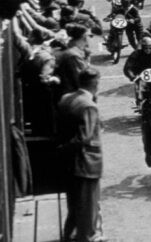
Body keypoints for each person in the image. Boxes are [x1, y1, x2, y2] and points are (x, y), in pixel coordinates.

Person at [57, 67, 104, 242]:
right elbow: (84, 137)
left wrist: (62, 149)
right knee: (88, 206)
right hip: (86, 162)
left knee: (74, 204)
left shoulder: (66, 99)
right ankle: (87, 237)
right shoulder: (89, 106)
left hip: (69, 163)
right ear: (95, 84)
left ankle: (69, 235)